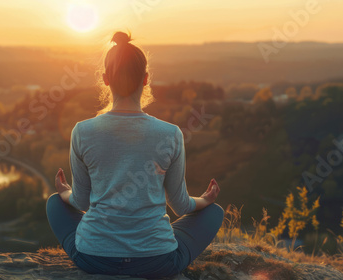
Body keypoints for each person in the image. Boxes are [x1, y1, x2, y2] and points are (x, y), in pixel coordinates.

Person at [46, 31, 224, 278]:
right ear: (146, 79)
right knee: (215, 212)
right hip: (157, 263)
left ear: (105, 79)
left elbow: (81, 203)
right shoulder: (171, 134)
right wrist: (206, 200)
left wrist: (64, 192)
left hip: (94, 259)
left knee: (55, 203)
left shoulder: (82, 131)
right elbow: (181, 205)